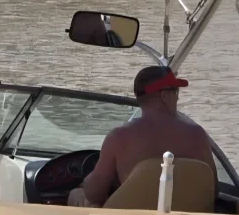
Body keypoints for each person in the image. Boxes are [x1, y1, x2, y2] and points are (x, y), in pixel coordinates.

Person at [69, 65, 219, 207]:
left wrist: (84, 184)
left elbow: (95, 194)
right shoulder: (197, 134)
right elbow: (213, 189)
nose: (177, 98)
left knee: (76, 195)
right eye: (176, 92)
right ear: (165, 95)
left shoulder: (119, 137)